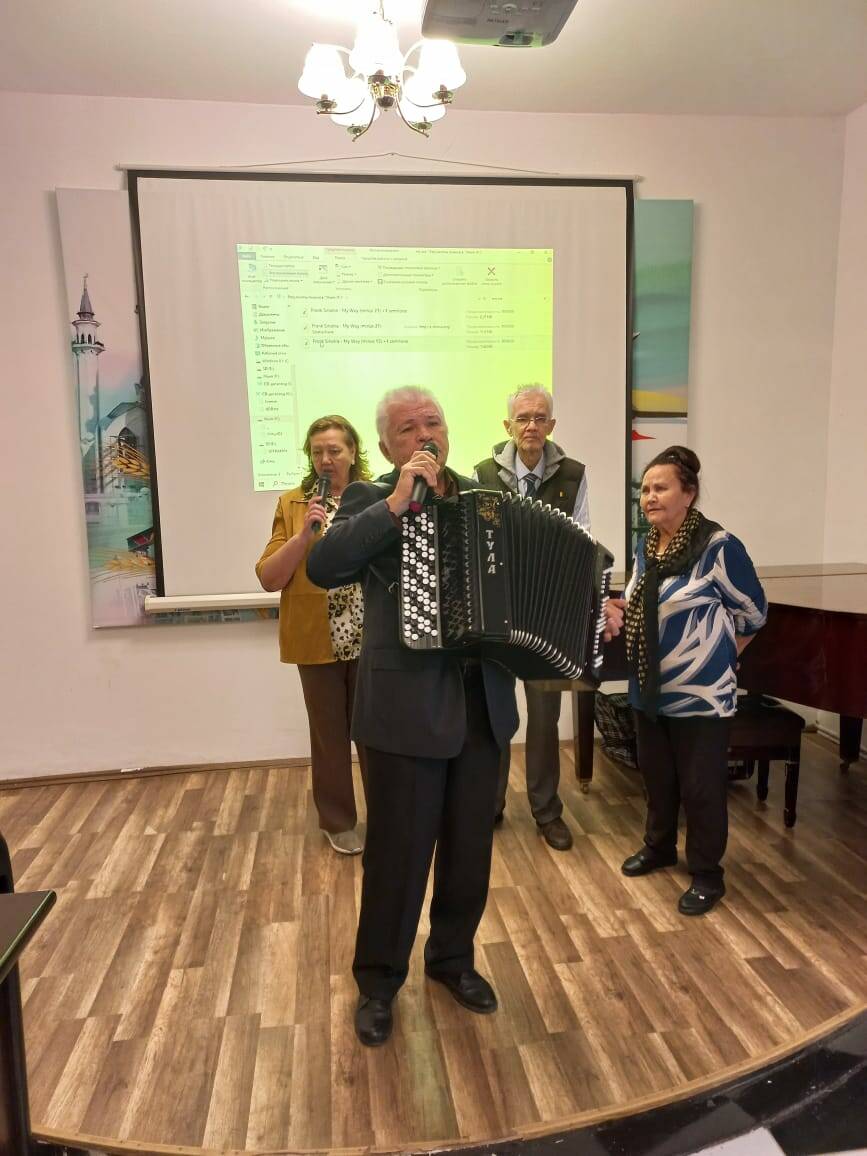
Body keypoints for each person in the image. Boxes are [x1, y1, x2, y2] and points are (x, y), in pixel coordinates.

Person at [307, 387, 520, 1047]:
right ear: (385, 445)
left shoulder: (486, 501)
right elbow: (323, 566)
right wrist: (397, 502)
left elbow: (522, 582)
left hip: (482, 708)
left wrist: (589, 605)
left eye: (433, 422)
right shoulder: (370, 499)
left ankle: (452, 960)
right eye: (407, 428)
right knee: (396, 860)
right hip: (403, 716)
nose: (425, 434)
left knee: (469, 852)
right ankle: (378, 983)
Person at [620, 446, 767, 915]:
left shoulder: (718, 547)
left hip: (701, 694)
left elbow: (754, 613)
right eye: (645, 489)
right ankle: (660, 847)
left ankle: (707, 873)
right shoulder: (647, 546)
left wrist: (722, 657)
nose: (649, 497)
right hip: (650, 687)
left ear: (689, 494)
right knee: (657, 778)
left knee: (701, 788)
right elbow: (643, 603)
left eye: (660, 488)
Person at [474, 385, 590, 851]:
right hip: (498, 616)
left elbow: (581, 542)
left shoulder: (574, 476)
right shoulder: (482, 474)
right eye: (523, 418)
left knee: (545, 718)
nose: (531, 426)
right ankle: (490, 805)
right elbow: (479, 540)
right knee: (497, 715)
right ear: (508, 426)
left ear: (552, 425)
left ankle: (547, 812)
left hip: (547, 616)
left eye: (540, 418)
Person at [256, 415, 372, 856]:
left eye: (334, 450)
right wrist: (304, 536)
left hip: (372, 638)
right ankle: (338, 821)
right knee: (328, 737)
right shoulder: (293, 504)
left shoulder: (376, 498)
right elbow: (269, 577)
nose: (326, 459)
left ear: (353, 453)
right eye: (317, 451)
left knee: (377, 734)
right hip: (316, 639)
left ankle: (389, 815)